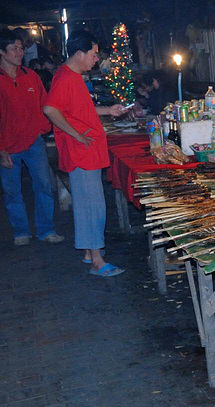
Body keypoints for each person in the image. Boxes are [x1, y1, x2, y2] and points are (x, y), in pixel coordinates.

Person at [43, 31, 126, 277]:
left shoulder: (72, 75)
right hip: (82, 152)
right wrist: (77, 135)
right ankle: (98, 262)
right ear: (79, 54)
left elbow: (79, 110)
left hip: (85, 151)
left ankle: (89, 252)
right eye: (93, 54)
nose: (96, 59)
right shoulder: (66, 78)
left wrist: (108, 109)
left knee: (86, 203)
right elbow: (50, 109)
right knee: (93, 206)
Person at [0, 29, 64, 246]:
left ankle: (46, 229)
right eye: (14, 49)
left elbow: (43, 104)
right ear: (2, 52)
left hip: (33, 142)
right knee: (12, 192)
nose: (19, 52)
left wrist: (42, 129)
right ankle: (21, 231)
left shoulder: (31, 76)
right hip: (7, 146)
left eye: (21, 48)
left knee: (44, 186)